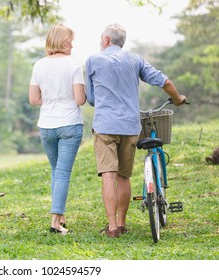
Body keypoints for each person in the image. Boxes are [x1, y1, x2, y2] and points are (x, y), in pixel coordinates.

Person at [85, 24, 187, 238]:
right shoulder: (135, 60)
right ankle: (122, 223)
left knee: (108, 175)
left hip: (104, 126)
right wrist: (177, 99)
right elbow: (164, 81)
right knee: (124, 176)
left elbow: (92, 99)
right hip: (130, 126)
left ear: (105, 40)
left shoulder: (93, 61)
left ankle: (112, 228)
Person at [29, 23, 86, 235]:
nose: (72, 44)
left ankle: (60, 216)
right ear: (64, 41)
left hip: (46, 126)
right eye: (70, 39)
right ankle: (55, 223)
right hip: (69, 123)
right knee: (62, 173)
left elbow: (33, 99)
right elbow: (80, 100)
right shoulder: (74, 65)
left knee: (56, 171)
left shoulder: (39, 65)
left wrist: (51, 98)